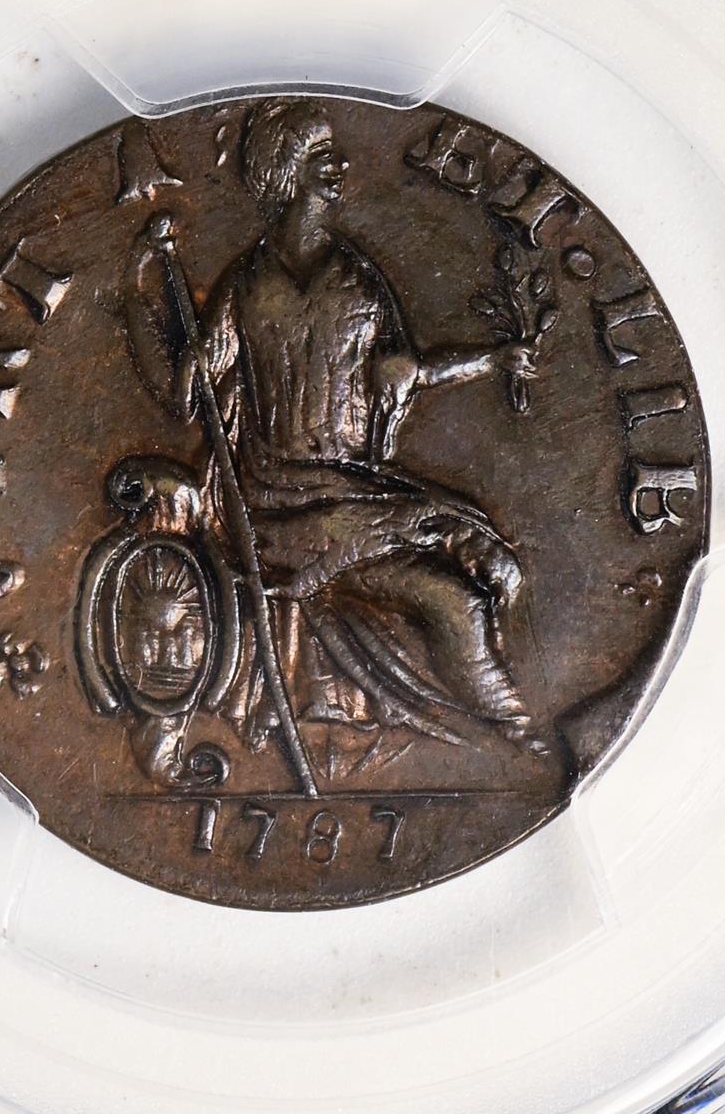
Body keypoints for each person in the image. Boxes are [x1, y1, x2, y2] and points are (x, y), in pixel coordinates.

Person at [125, 98, 545, 750]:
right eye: (322, 156)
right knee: (455, 597)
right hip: (274, 507)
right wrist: (142, 281)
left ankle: (517, 729)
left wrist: (491, 359)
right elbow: (188, 395)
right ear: (285, 172)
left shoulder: (359, 281)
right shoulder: (245, 285)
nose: (341, 164)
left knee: (484, 577)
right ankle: (515, 736)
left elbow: (408, 370)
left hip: (354, 491)